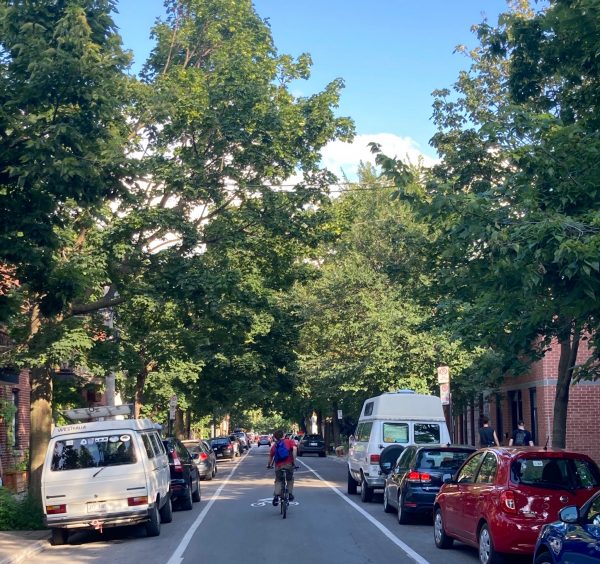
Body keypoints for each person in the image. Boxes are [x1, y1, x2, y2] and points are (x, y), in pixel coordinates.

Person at [267, 429, 297, 506]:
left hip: (278, 466)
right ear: (283, 435)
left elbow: (271, 456)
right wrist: (294, 461)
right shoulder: (289, 441)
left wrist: (269, 465)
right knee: (290, 479)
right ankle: (290, 494)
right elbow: (294, 449)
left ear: (275, 437)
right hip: (288, 465)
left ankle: (276, 496)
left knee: (278, 480)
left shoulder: (275, 445)